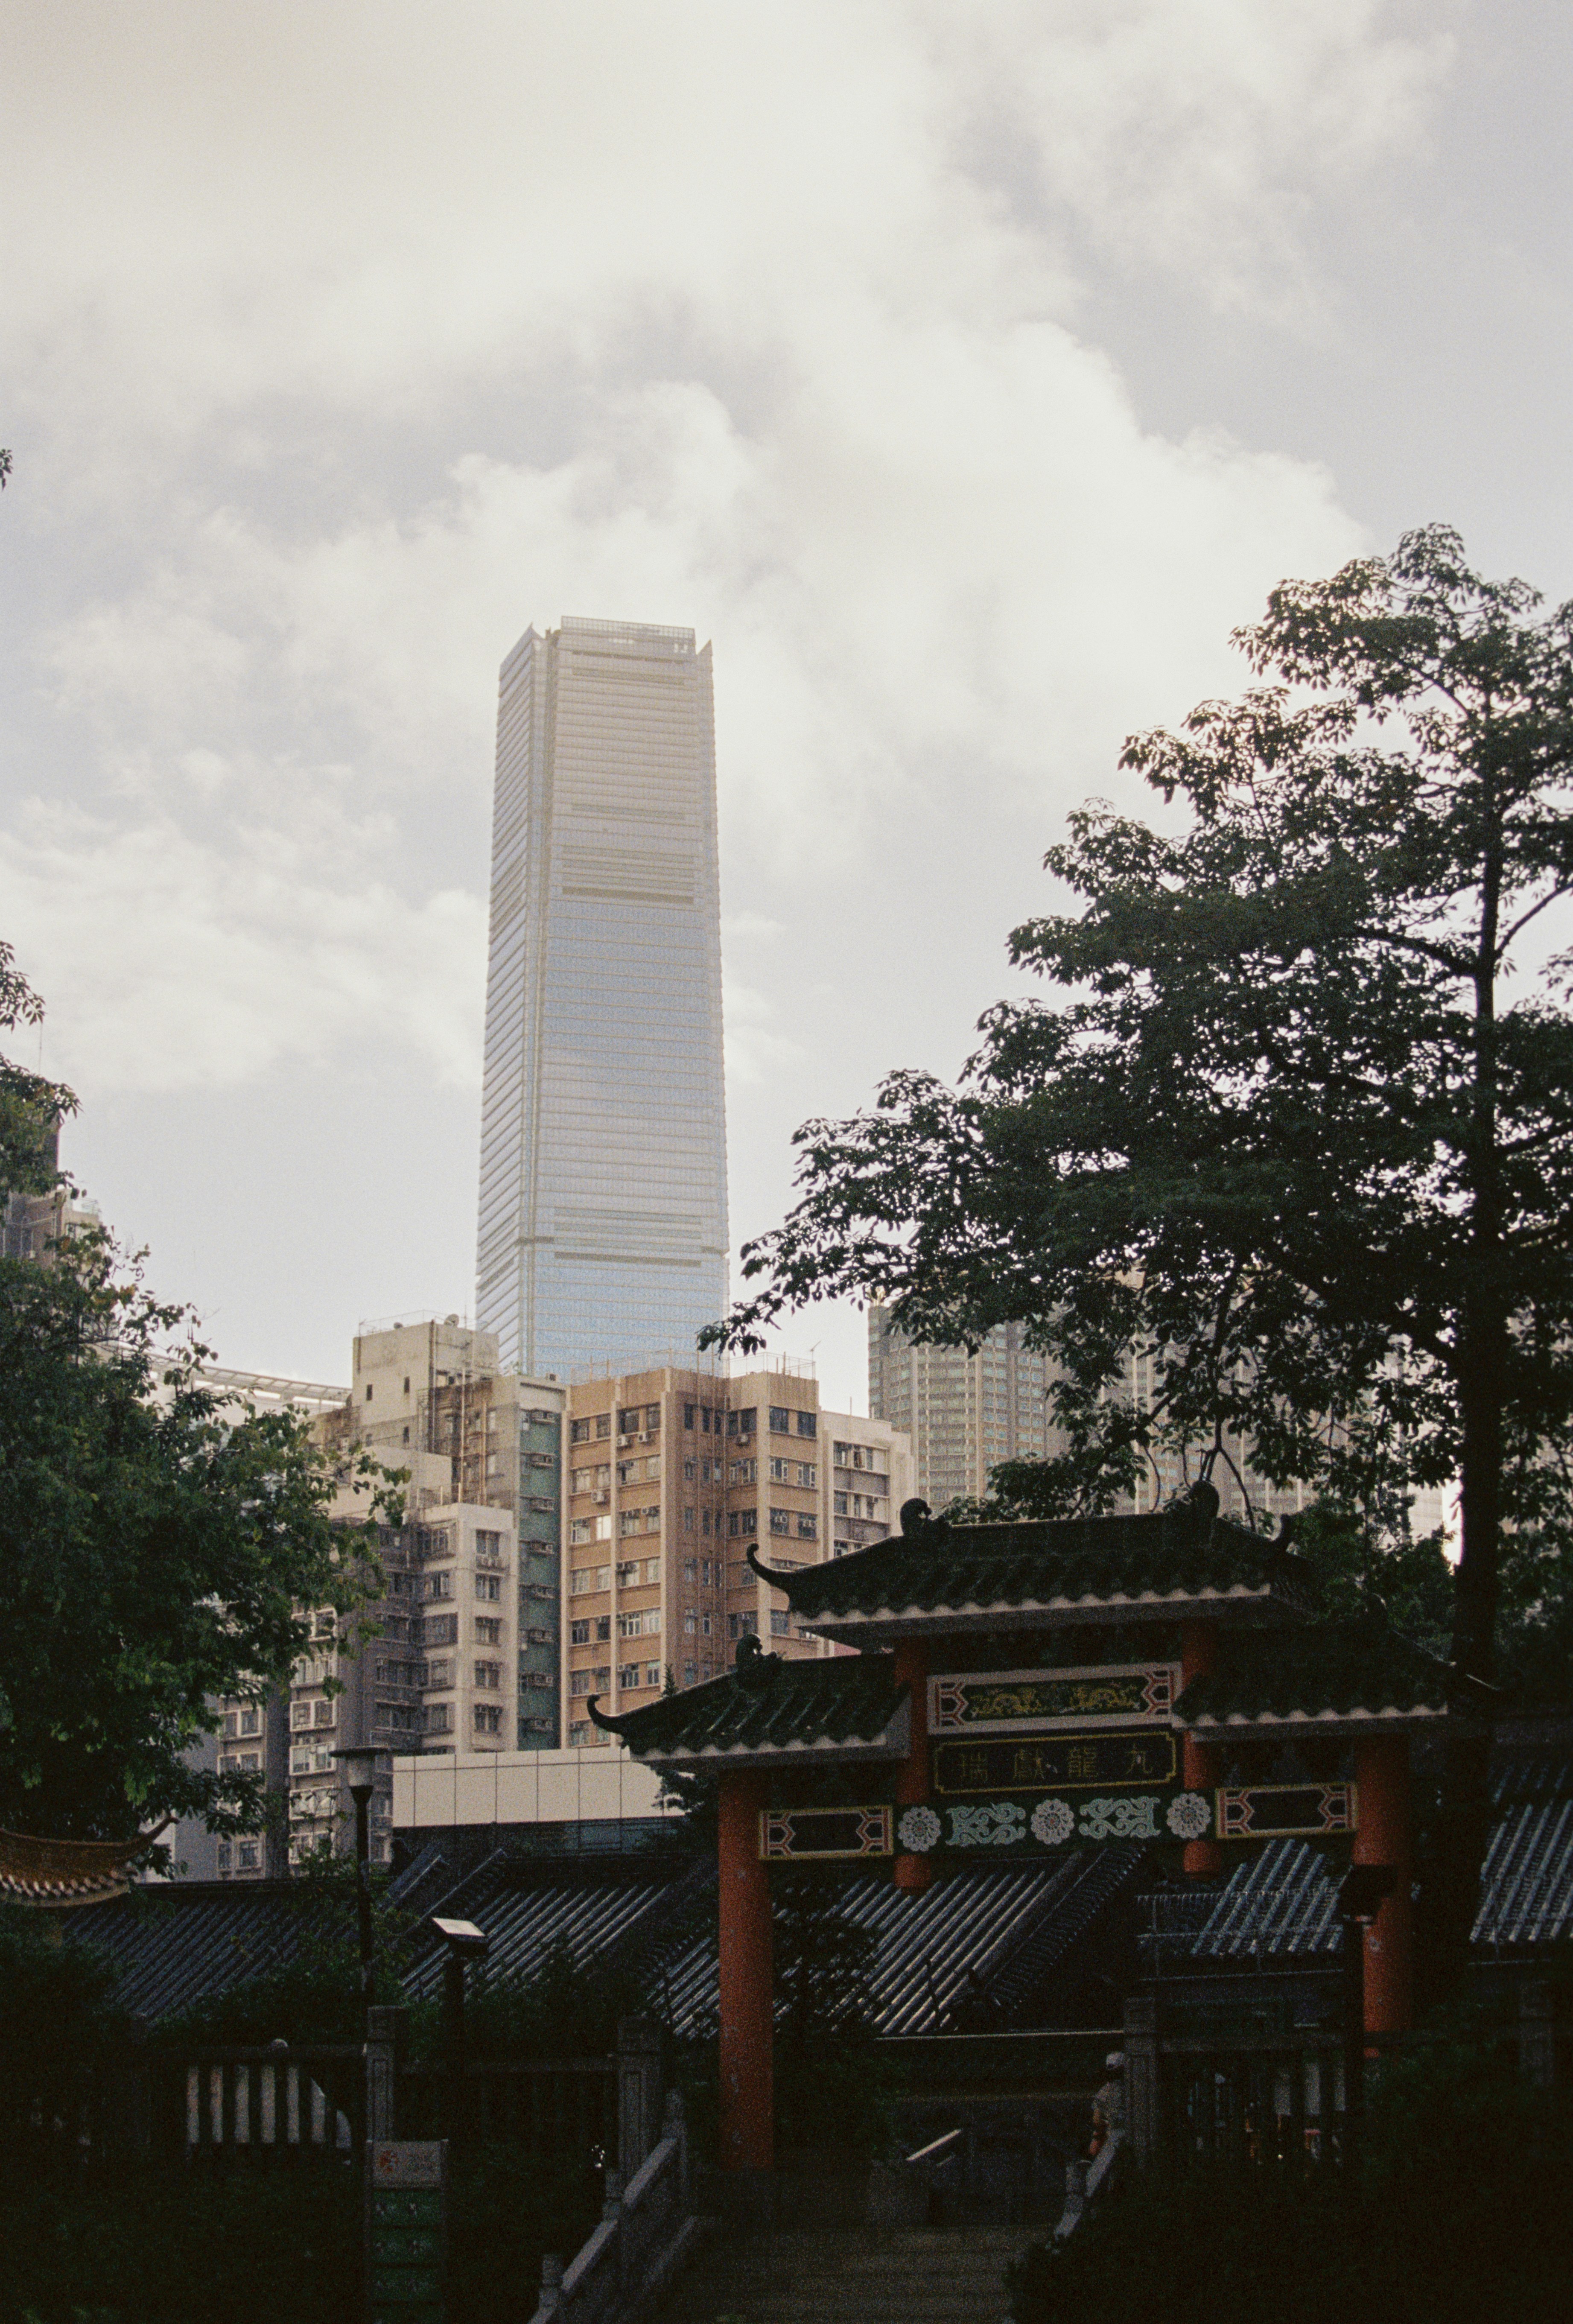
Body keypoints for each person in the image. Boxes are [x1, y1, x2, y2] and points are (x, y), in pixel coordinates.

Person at [1089, 2051, 1125, 2158]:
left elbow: (1097, 2122)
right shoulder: (1134, 2089)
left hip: (1113, 2142)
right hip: (1127, 2141)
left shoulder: (1103, 2092)